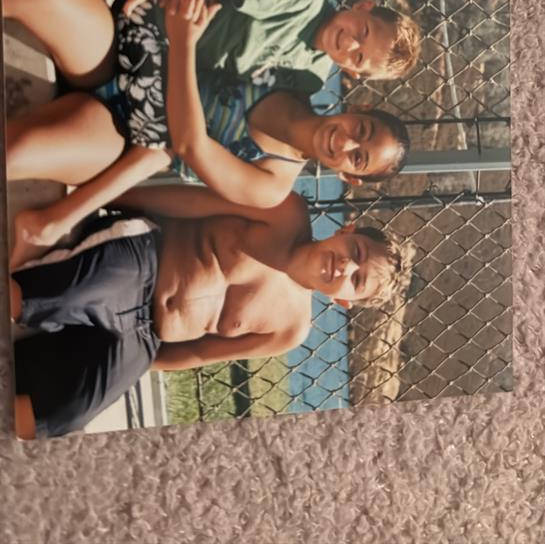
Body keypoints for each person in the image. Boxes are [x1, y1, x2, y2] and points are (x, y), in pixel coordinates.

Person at [4, 0, 410, 265]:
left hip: (119, 135)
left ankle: (45, 224)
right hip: (126, 57)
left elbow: (188, 143)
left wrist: (183, 41)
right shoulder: (300, 74)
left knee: (16, 153)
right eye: (362, 130)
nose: (346, 141)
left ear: (347, 176)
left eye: (357, 156)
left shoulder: (270, 183)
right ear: (359, 108)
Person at [10, 184, 414, 439]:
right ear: (347, 230)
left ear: (344, 301)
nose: (344, 268)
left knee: (69, 412)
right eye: (355, 253)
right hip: (143, 261)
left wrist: (130, 365)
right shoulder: (284, 213)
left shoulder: (292, 329)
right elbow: (190, 200)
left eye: (356, 280)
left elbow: (202, 352)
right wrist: (106, 194)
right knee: (57, 294)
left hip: (147, 338)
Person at [114, 0, 422, 92]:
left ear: (351, 71)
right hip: (162, 16)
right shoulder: (304, 0)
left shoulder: (309, 79)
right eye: (363, 31)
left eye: (358, 56)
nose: (350, 42)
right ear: (364, 6)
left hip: (171, 70)